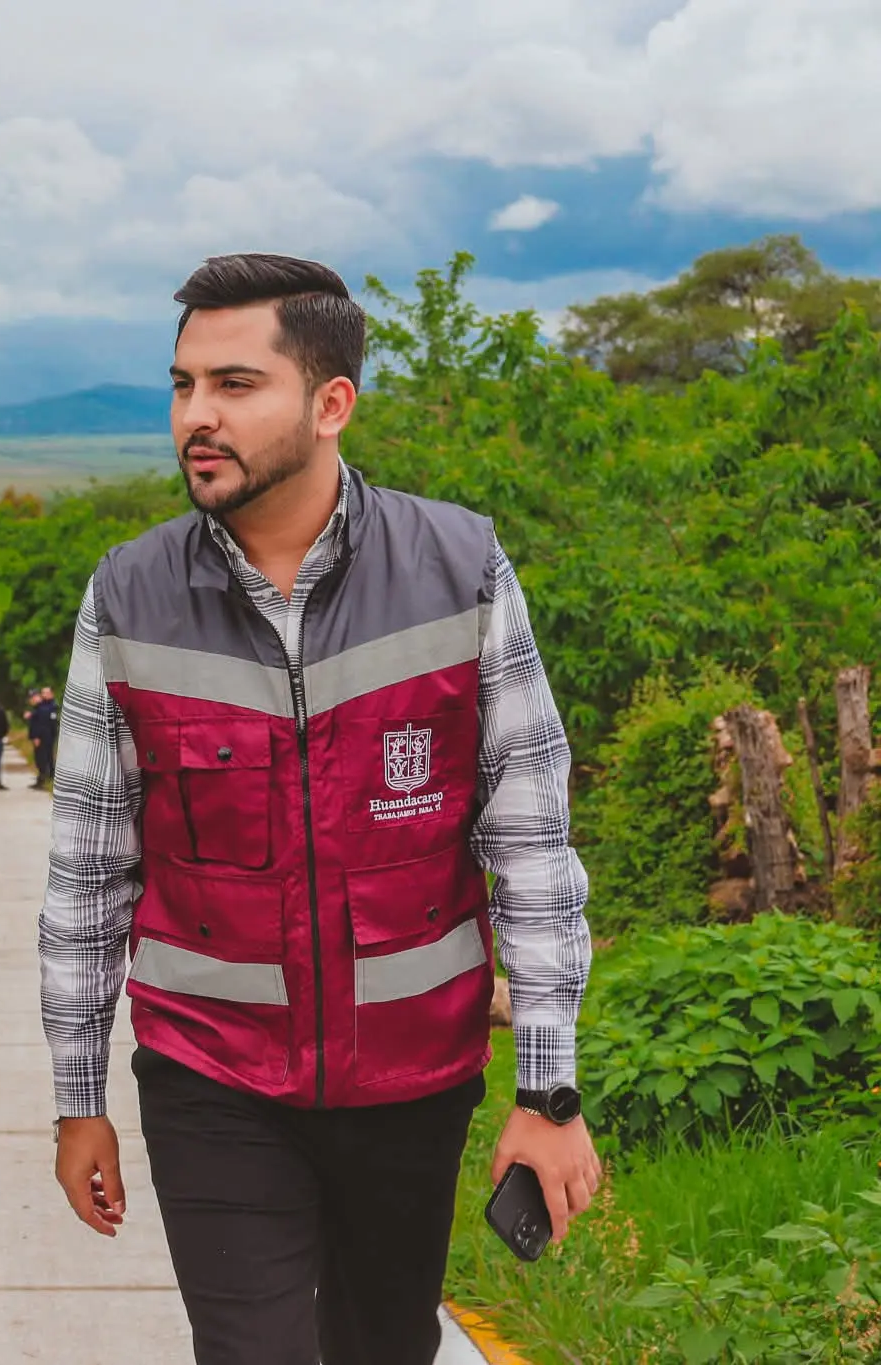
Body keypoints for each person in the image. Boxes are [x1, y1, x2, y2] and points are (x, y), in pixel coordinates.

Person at [39, 254, 598, 1365]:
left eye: (234, 385)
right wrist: (76, 1096)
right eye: (182, 384)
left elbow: (529, 840)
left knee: (383, 1346)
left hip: (414, 1078)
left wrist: (547, 1088)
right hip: (209, 1076)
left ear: (330, 402)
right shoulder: (128, 593)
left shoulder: (460, 567)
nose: (195, 416)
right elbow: (88, 865)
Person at [26, 687, 58, 789]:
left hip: (45, 737)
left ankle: (44, 780)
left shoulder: (49, 707)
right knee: (42, 758)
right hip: (45, 736)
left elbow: (42, 724)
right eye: (42, 693)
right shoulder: (42, 706)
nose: (43, 695)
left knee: (43, 759)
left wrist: (36, 736)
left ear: (51, 694)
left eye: (45, 693)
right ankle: (43, 779)